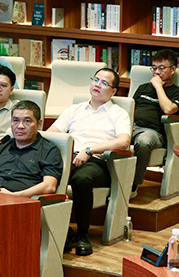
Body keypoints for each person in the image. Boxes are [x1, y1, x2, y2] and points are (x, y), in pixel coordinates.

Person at [48, 67, 131, 256]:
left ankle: (82, 235)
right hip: (69, 159)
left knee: (81, 180)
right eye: (96, 80)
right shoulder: (74, 110)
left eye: (104, 83)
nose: (97, 85)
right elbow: (51, 133)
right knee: (41, 174)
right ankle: (62, 232)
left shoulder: (118, 113)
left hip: (98, 162)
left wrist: (89, 150)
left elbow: (123, 142)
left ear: (113, 91)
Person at [0, 100, 62, 197]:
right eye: (15, 120)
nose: (20, 126)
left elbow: (49, 186)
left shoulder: (49, 150)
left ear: (39, 124)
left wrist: (15, 196)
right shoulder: (1, 146)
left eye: (27, 121)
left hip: (24, 201)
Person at [131, 48, 179, 197]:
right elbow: (130, 109)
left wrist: (158, 86)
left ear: (173, 69)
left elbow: (168, 109)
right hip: (132, 128)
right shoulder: (142, 88)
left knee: (143, 141)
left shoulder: (178, 92)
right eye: (154, 68)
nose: (156, 72)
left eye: (161, 68)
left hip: (154, 133)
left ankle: (132, 186)